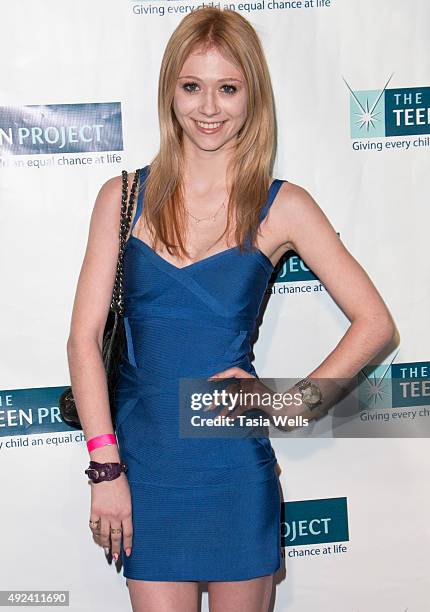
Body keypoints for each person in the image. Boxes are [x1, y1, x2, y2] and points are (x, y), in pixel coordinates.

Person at [66, 7, 398, 612]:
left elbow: (375, 323)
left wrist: (292, 402)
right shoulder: (122, 198)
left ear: (253, 95)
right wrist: (105, 470)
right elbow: (83, 341)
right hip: (143, 467)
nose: (209, 108)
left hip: (232, 468)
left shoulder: (283, 205)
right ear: (170, 90)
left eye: (228, 88)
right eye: (192, 86)